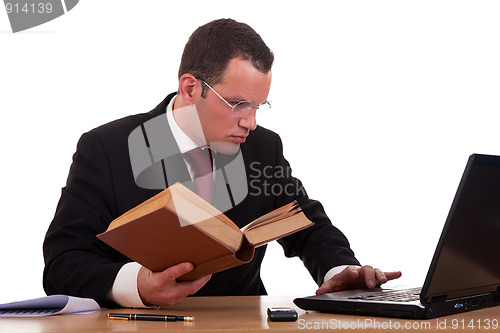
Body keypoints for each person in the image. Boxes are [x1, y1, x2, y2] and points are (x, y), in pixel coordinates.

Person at [43, 18, 401, 308]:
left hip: (241, 323)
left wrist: (339, 271)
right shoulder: (107, 148)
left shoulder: (263, 147)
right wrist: (136, 285)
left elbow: (306, 223)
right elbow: (62, 263)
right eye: (237, 104)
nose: (251, 122)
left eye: (258, 106)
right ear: (189, 89)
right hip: (141, 325)